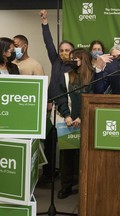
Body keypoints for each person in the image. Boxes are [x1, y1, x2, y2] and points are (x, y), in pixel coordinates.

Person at [39, 9, 75, 187]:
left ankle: (69, 179)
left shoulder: (76, 68)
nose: (64, 52)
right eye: (62, 50)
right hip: (51, 108)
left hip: (67, 111)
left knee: (68, 147)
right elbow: (48, 43)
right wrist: (45, 23)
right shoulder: (56, 62)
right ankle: (48, 174)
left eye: (67, 50)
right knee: (49, 143)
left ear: (73, 52)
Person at [55, 48, 94, 199]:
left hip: (86, 121)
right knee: (67, 156)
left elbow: (93, 97)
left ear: (83, 59)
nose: (71, 60)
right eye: (70, 58)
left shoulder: (93, 77)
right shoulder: (65, 76)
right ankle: (66, 186)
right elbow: (61, 98)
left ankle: (83, 186)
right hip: (69, 123)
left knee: (84, 156)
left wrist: (82, 117)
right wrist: (66, 115)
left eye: (75, 58)